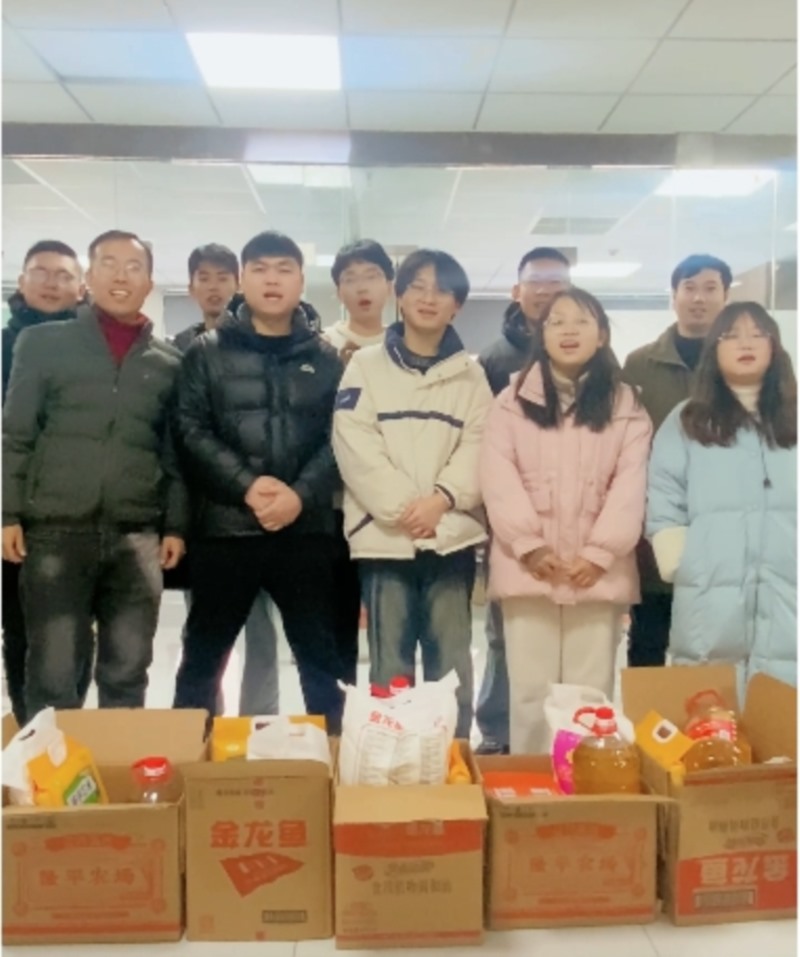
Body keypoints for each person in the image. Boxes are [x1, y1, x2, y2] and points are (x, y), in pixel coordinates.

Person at [2, 230, 188, 719]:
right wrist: (7, 513)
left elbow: (174, 454)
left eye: (133, 266)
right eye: (108, 263)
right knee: (53, 672)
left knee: (128, 670)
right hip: (55, 532)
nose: (120, 276)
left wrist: (175, 525)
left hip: (136, 535)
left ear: (149, 283)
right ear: (89, 278)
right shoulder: (41, 344)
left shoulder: (169, 363)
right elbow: (15, 434)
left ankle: (116, 767)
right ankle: (49, 769)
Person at [172, 230, 346, 731]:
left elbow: (343, 436)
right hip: (226, 529)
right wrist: (247, 486)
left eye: (284, 269)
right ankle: (192, 762)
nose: (273, 280)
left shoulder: (326, 358)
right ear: (242, 280)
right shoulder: (205, 352)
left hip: (305, 532)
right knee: (203, 660)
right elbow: (189, 429)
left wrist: (299, 495)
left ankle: (334, 760)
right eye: (261, 269)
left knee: (321, 662)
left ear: (300, 281)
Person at [479, 288, 652, 754]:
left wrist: (600, 553)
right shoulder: (510, 401)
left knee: (589, 693)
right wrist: (529, 545)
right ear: (542, 335)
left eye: (582, 321)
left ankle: (584, 782)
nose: (569, 330)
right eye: (556, 322)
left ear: (602, 335)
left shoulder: (627, 405)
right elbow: (497, 477)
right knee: (529, 693)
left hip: (597, 571)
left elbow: (630, 485)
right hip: (528, 568)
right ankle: (534, 788)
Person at [333, 249, 492, 738]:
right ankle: (393, 760)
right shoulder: (364, 366)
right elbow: (354, 444)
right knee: (390, 668)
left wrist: (440, 500)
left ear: (456, 306)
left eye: (441, 290)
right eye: (417, 287)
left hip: (450, 540)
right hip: (386, 541)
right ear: (399, 297)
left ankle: (454, 761)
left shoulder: (471, 375)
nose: (428, 298)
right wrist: (406, 509)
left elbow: (481, 445)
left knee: (451, 666)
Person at [647, 302, 796, 691]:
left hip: (788, 584)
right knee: (710, 701)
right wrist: (682, 560)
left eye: (758, 334)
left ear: (775, 346)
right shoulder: (688, 420)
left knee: (782, 699)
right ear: (714, 350)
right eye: (731, 336)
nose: (745, 344)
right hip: (709, 584)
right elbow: (665, 494)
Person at [172, 243, 281, 717]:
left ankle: (259, 722)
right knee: (203, 635)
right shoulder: (178, 350)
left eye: (223, 277)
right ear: (191, 286)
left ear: (237, 283)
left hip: (265, 511)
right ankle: (204, 727)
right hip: (204, 514)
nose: (214, 287)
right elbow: (182, 433)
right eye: (204, 277)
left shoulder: (265, 342)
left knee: (261, 630)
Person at [475, 247, 572, 755]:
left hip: (577, 520)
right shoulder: (495, 360)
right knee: (504, 632)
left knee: (568, 633)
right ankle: (498, 732)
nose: (547, 291)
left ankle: (566, 736)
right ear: (517, 291)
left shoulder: (595, 358)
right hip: (513, 524)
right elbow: (487, 450)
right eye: (537, 281)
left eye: (558, 282)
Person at [622, 253, 731, 667]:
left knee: (717, 650)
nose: (699, 298)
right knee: (648, 643)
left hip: (724, 527)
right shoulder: (640, 364)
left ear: (725, 297)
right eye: (689, 288)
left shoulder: (741, 361)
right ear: (673, 296)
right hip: (656, 527)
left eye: (710, 288)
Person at [1, 240, 89, 725]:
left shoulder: (94, 350)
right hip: (15, 514)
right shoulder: (5, 347)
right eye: (41, 272)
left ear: (81, 287)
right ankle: (30, 731)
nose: (52, 283)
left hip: (75, 513)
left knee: (76, 631)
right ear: (21, 281)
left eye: (63, 275)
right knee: (22, 630)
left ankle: (73, 728)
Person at [325, 239, 396, 683]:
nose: (362, 288)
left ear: (389, 285)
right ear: (338, 290)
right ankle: (342, 714)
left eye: (371, 276)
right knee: (337, 627)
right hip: (334, 506)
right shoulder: (321, 346)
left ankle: (395, 713)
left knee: (392, 632)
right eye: (350, 279)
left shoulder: (406, 345)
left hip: (392, 509)